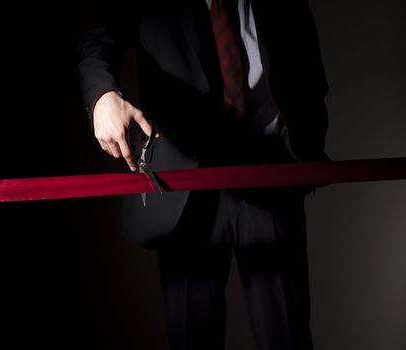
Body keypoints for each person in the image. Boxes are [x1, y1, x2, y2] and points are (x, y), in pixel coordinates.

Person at [77, 0, 329, 349]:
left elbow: (307, 60)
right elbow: (97, 38)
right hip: (185, 189)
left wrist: (310, 143)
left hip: (269, 174)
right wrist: (103, 96)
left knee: (288, 337)